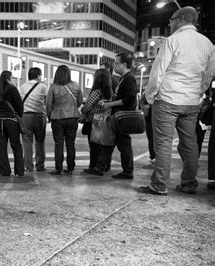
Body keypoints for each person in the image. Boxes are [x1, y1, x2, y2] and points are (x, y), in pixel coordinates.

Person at [140, 7, 214, 196]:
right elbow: (208, 75)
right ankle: (189, 183)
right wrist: (198, 92)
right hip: (191, 102)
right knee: (189, 142)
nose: (169, 23)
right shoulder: (208, 44)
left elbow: (158, 73)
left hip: (167, 99)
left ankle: (159, 185)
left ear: (180, 19)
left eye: (171, 19)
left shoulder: (172, 41)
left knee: (163, 143)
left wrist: (149, 97)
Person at [85, 52, 138, 179]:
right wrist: (109, 102)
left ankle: (127, 171)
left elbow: (129, 98)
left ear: (124, 64)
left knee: (123, 145)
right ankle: (101, 167)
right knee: (109, 143)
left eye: (116, 63)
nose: (114, 66)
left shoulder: (129, 78)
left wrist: (110, 104)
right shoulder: (124, 78)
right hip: (118, 116)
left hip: (122, 118)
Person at [46, 65, 83, 175]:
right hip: (72, 117)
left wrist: (49, 115)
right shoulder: (76, 85)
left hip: (57, 118)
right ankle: (70, 168)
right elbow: (80, 101)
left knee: (59, 144)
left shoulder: (53, 87)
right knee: (70, 144)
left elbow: (48, 104)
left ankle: (58, 168)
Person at [0, 71, 25, 177]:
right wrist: (18, 114)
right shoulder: (13, 89)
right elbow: (19, 106)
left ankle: (4, 171)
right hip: (11, 121)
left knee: (2, 147)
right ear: (9, 78)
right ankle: (19, 170)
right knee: (16, 145)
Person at [80, 69, 113, 171]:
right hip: (105, 121)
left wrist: (83, 110)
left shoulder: (96, 91)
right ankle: (105, 166)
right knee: (102, 145)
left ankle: (93, 166)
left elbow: (87, 106)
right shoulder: (109, 91)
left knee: (94, 146)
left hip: (93, 121)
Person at [19, 67, 48, 172]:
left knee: (27, 142)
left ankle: (29, 166)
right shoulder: (43, 87)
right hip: (39, 116)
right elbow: (46, 101)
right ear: (39, 76)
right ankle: (40, 165)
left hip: (25, 116)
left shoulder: (22, 87)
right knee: (40, 141)